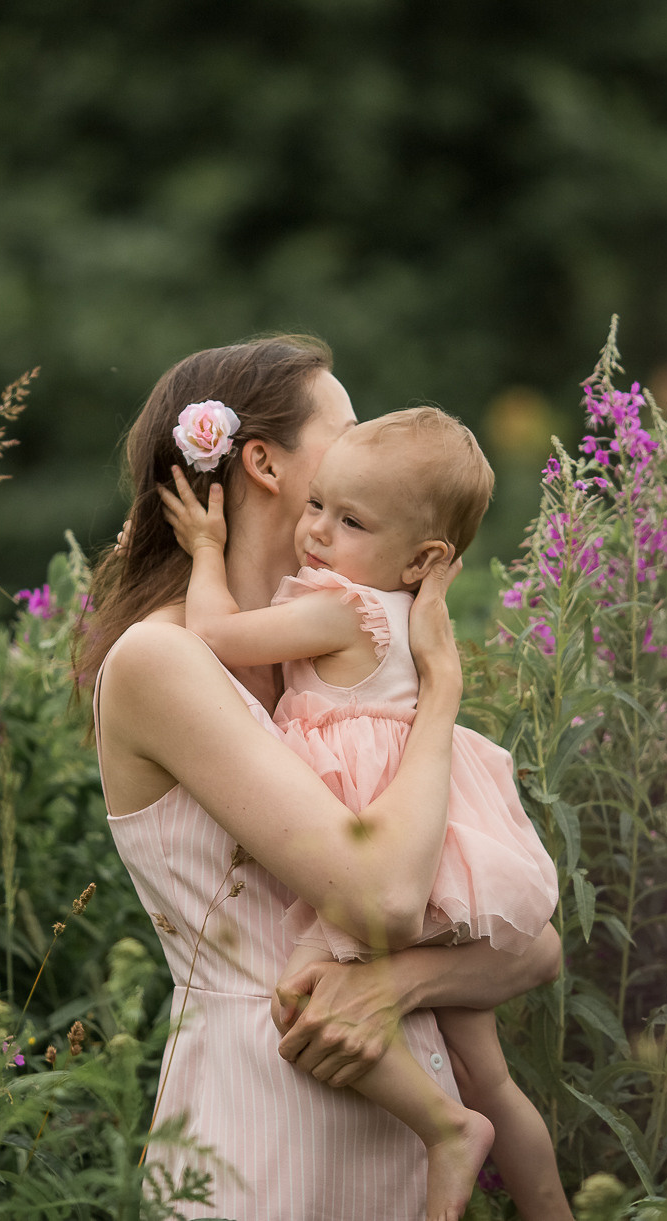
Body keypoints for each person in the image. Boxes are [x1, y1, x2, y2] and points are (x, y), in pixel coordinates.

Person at [79, 335, 562, 1221]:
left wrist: (398, 984)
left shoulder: (340, 670)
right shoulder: (163, 658)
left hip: (406, 1131)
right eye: (345, 428)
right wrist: (442, 691)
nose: (367, 443)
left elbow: (535, 944)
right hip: (265, 1116)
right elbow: (381, 899)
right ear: (263, 462)